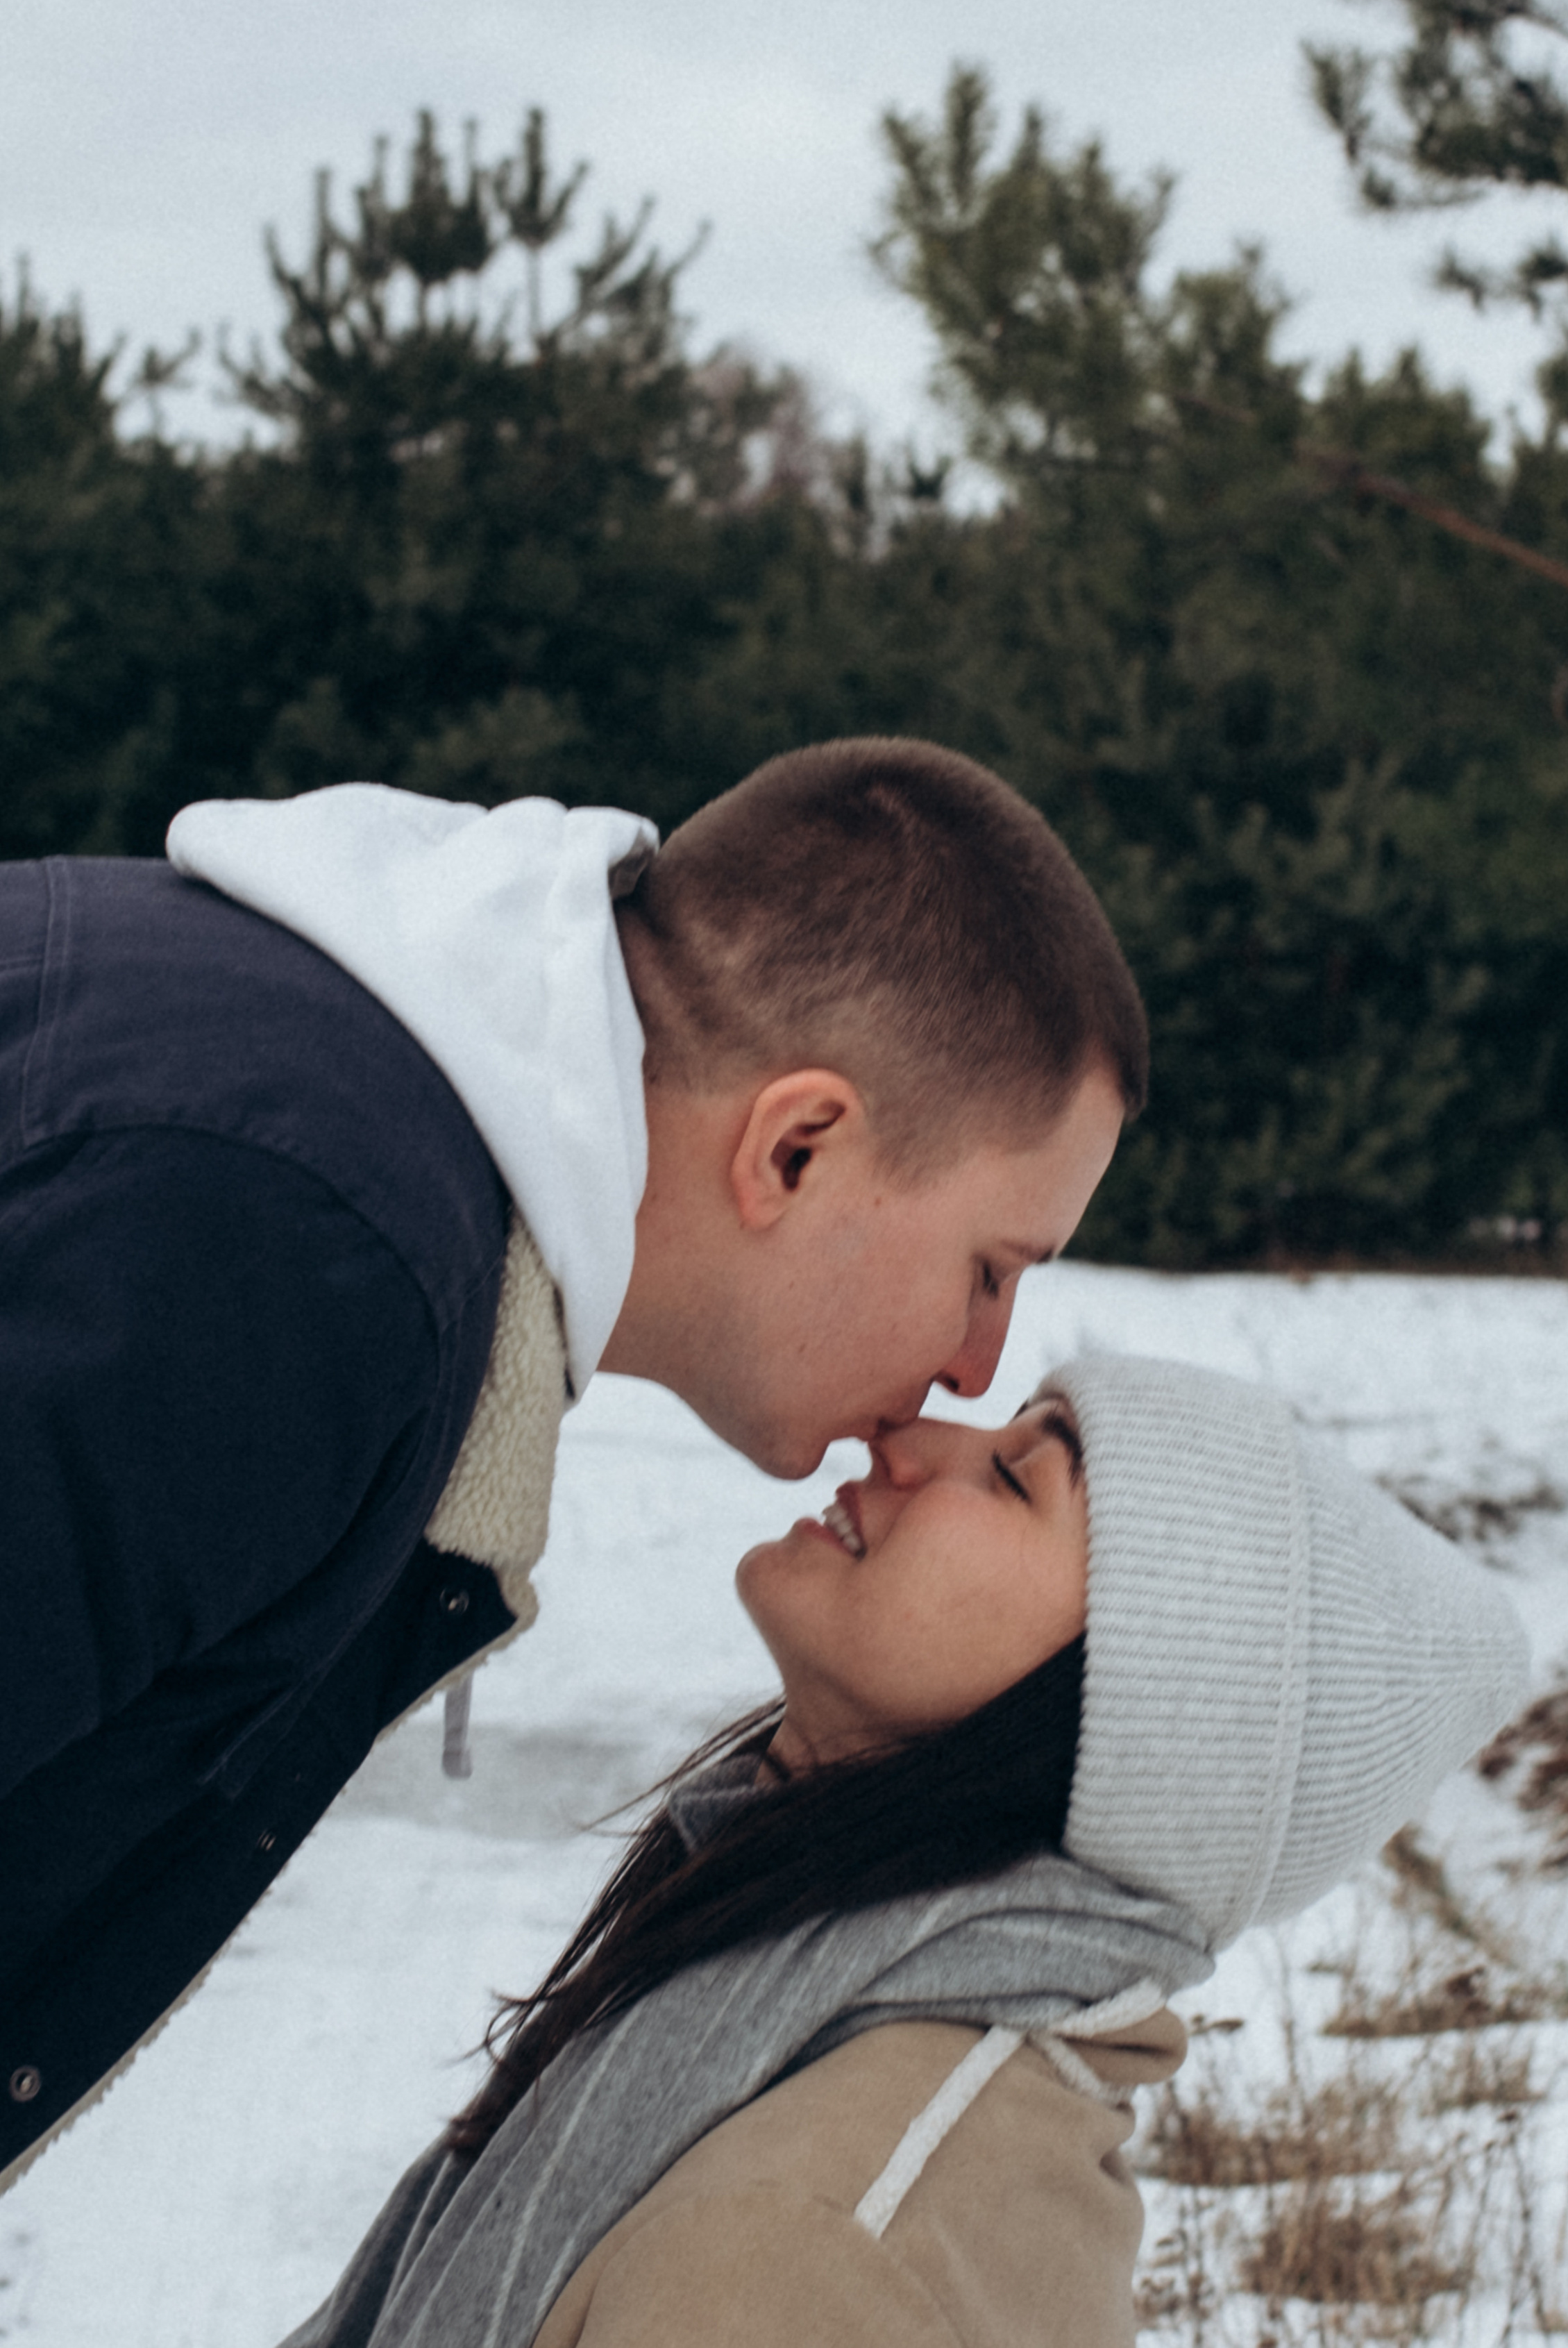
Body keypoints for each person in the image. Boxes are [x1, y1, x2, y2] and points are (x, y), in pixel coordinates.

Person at [0, 739, 1144, 2189]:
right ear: (795, 1149)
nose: (979, 1369)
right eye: (990, 1268)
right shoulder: (299, 1264)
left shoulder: (292, 1104)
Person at [281, 1351, 1528, 2348]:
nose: (913, 1439)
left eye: (1015, 1480)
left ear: (1134, 1718)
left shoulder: (809, 2250)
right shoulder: (779, 2036)